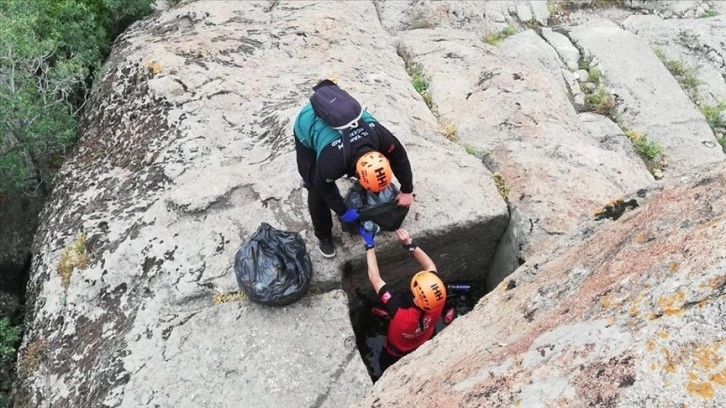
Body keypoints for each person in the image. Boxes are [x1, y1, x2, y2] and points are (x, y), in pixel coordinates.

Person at [293, 80, 414, 258]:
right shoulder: (332, 162)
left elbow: (399, 157)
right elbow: (322, 185)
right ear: (357, 174)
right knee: (313, 187)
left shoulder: (381, 137)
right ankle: (324, 237)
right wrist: (342, 210)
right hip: (308, 124)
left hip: (345, 122)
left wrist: (407, 189)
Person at [358, 226, 447, 376]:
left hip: (395, 352)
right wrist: (409, 243)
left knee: (385, 370)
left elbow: (375, 278)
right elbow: (430, 267)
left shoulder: (399, 310)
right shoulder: (438, 299)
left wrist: (370, 246)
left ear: (417, 296)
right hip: (424, 340)